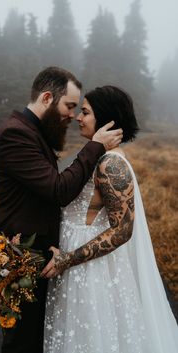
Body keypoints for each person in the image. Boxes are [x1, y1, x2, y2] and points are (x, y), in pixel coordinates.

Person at [0, 68, 123, 353]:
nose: (73, 115)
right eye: (70, 106)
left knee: (36, 337)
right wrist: (96, 146)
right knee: (22, 342)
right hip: (21, 255)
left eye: (79, 109)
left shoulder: (33, 132)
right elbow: (58, 190)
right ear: (48, 97)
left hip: (40, 257)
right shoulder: (16, 134)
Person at [43, 85, 178, 353]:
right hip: (73, 264)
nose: (79, 118)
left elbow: (122, 230)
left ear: (106, 120)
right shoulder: (97, 156)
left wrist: (67, 259)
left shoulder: (111, 164)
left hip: (90, 269)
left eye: (85, 112)